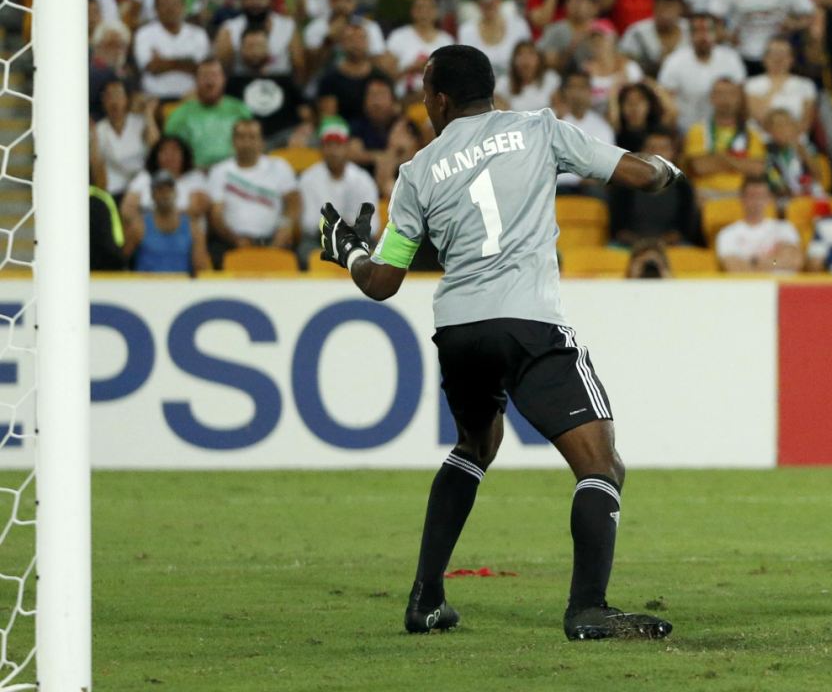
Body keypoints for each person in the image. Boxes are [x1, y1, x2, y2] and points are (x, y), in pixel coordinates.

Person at [317, 43, 678, 640]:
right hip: (528, 321)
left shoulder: (418, 171)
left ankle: (426, 599)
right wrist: (669, 169)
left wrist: (351, 250)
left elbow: (382, 282)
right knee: (601, 465)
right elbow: (642, 175)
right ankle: (588, 607)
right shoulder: (539, 129)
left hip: (460, 330)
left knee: (475, 444)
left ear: (439, 99)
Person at [206, 118, 300, 265]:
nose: (247, 143)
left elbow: (294, 202)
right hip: (229, 242)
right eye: (241, 137)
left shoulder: (279, 167)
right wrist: (235, 239)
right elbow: (216, 215)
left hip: (273, 239)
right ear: (233, 141)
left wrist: (285, 228)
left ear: (262, 142)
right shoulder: (220, 171)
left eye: (252, 137)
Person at [298, 118, 381, 264]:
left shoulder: (362, 179)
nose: (334, 151)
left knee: (379, 254)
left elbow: (372, 225)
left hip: (356, 240)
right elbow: (308, 223)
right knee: (305, 251)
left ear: (347, 147)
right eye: (329, 145)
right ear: (321, 149)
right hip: (320, 241)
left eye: (338, 145)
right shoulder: (308, 178)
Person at [121, 169, 209, 275]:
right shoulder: (139, 227)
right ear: (152, 195)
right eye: (160, 190)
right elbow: (121, 261)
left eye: (168, 189)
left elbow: (201, 268)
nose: (165, 194)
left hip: (181, 288)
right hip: (146, 287)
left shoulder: (193, 229)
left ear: (175, 192)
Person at [715, 176, 803, 273]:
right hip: (749, 287)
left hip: (783, 286)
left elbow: (794, 260)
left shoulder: (784, 228)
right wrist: (775, 261)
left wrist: (759, 262)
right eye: (752, 196)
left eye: (761, 196)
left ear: (769, 199)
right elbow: (735, 269)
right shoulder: (728, 234)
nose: (756, 202)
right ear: (742, 198)